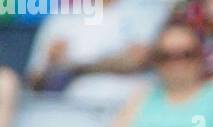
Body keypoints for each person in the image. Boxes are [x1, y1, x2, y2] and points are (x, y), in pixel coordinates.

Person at [25, 0, 167, 110]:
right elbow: (35, 78)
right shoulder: (64, 15)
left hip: (130, 106)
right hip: (70, 109)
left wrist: (73, 68)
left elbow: (137, 60)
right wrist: (52, 64)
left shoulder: (147, 7)